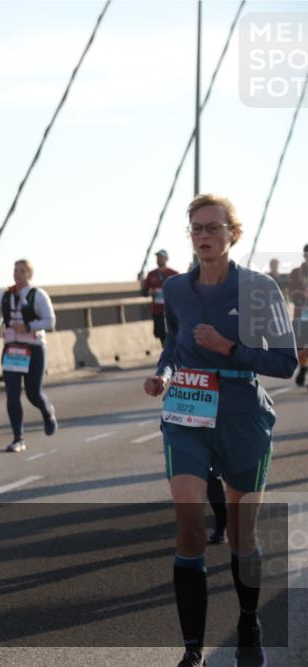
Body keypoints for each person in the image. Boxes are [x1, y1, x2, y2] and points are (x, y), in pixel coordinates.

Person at [142, 194, 297, 667]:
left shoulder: (260, 288)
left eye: (213, 228)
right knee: (188, 525)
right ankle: (192, 651)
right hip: (186, 415)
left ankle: (248, 623)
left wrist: (230, 348)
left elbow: (286, 361)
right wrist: (164, 374)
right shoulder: (176, 290)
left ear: (233, 233)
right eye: (196, 229)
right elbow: (173, 343)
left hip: (242, 416)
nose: (204, 236)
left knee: (241, 536)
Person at [0, 259, 57, 453]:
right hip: (12, 349)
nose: (18, 275)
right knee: (12, 394)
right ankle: (18, 438)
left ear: (29, 274)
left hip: (34, 348)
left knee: (33, 393)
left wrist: (28, 327)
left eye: (22, 271)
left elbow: (50, 321)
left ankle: (47, 412)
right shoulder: (5, 295)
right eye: (16, 271)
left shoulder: (38, 295)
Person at [142, 249, 179, 345]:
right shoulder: (151, 274)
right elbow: (145, 292)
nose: (159, 259)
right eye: (157, 257)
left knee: (173, 333)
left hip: (171, 310)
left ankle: (173, 354)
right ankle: (166, 352)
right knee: (160, 333)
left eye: (161, 257)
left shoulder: (174, 273)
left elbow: (180, 291)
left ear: (166, 258)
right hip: (157, 310)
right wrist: (149, 292)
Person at [289, 244, 308, 387]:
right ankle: (303, 368)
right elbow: (292, 294)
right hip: (300, 315)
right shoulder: (296, 273)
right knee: (300, 348)